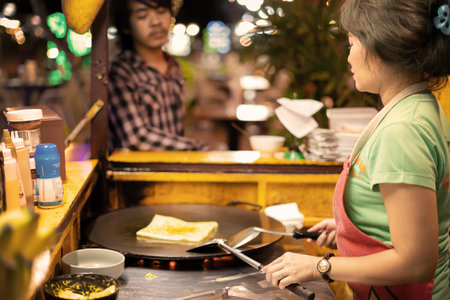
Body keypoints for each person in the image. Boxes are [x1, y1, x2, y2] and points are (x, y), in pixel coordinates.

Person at [261, 0, 450, 299]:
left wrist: (321, 266)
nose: (348, 57)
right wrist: (353, 236)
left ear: (381, 46)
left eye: (351, 43)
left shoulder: (402, 130)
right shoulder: (416, 107)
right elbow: (401, 222)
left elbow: (416, 262)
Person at [108, 0, 208, 151]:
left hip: (172, 167)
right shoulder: (121, 71)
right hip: (136, 171)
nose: (156, 22)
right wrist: (196, 148)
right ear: (126, 26)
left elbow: (176, 130)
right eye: (142, 15)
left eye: (161, 11)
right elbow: (136, 138)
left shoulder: (174, 66)